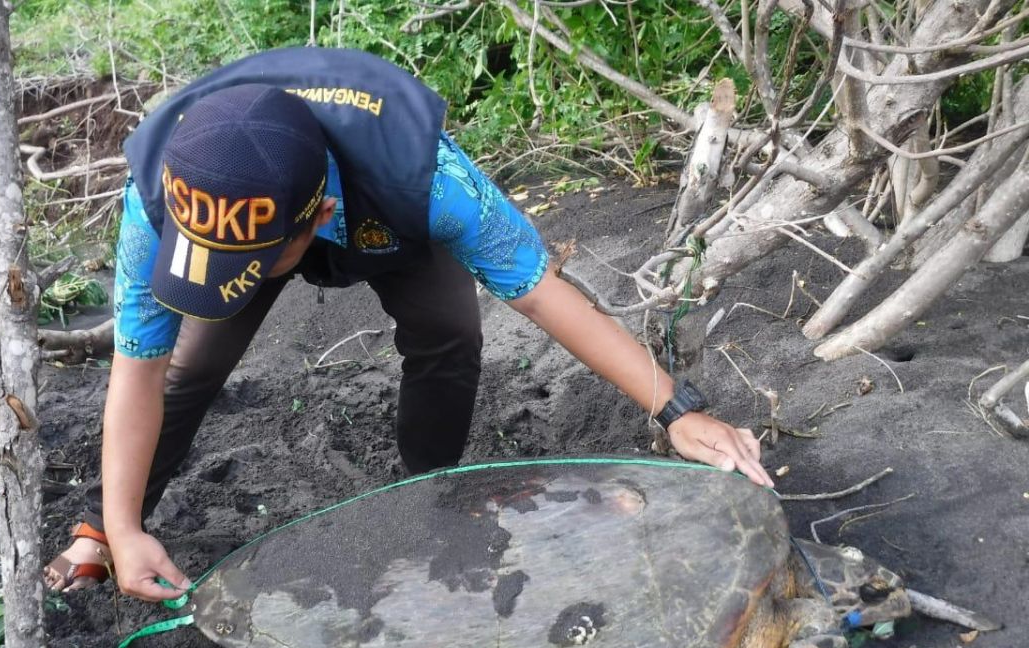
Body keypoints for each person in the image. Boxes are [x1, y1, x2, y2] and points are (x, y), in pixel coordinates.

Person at [43, 47, 772, 601]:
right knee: (189, 367)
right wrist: (126, 527)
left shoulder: (431, 183)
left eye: (259, 260)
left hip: (376, 207)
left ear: (317, 222)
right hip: (266, 202)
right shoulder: (158, 197)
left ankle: (431, 494)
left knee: (449, 332)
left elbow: (543, 294)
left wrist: (674, 409)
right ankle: (109, 527)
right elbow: (135, 370)